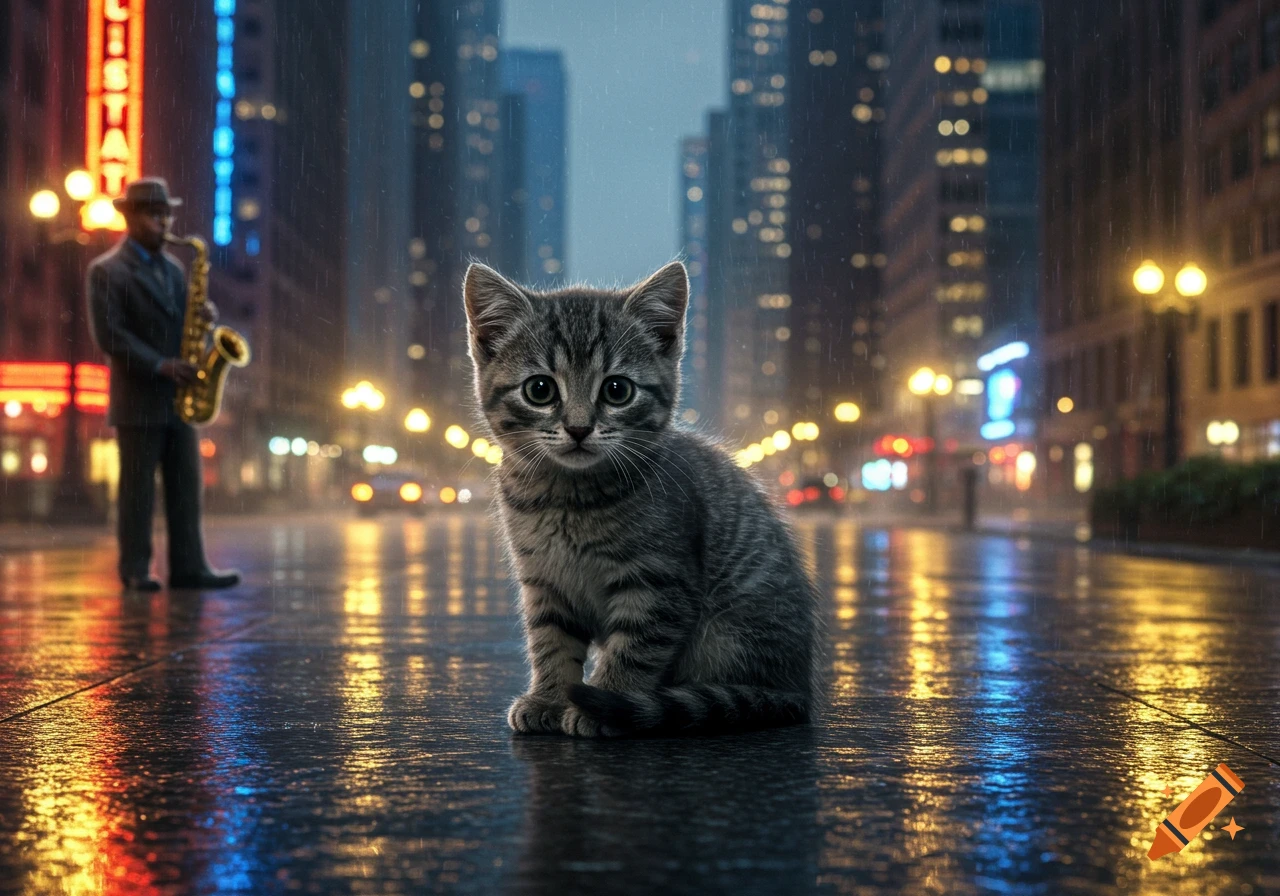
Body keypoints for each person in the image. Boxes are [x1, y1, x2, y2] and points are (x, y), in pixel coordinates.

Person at [86, 177, 241, 592]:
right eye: (156, 215)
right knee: (137, 493)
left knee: (187, 489)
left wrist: (203, 323)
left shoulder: (174, 270)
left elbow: (181, 328)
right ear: (131, 218)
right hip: (139, 400)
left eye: (167, 214)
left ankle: (190, 567)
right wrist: (161, 365)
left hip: (179, 401)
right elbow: (110, 336)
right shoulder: (106, 271)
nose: (165, 222)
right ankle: (135, 569)